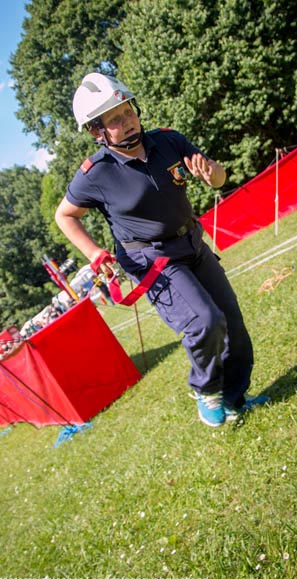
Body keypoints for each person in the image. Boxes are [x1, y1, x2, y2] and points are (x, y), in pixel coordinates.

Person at [55, 72, 269, 427]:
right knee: (205, 321)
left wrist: (212, 173)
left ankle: (233, 400)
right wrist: (94, 253)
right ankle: (205, 389)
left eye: (127, 112)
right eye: (114, 120)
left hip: (192, 244)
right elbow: (65, 215)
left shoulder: (168, 141)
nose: (126, 122)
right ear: (97, 131)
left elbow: (219, 176)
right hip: (153, 260)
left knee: (233, 325)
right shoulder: (95, 173)